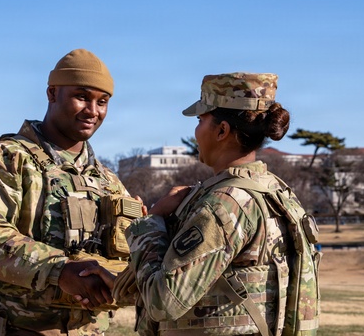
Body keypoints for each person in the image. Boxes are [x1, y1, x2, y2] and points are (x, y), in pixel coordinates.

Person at [123, 73, 321, 335]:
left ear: (222, 130)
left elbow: (163, 302)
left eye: (200, 120)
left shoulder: (223, 205)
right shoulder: (276, 191)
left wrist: (152, 222)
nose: (195, 132)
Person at [0, 49, 135, 335]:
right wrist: (60, 270)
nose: (93, 110)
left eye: (102, 102)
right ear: (52, 94)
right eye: (82, 97)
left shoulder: (107, 181)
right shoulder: (7, 159)